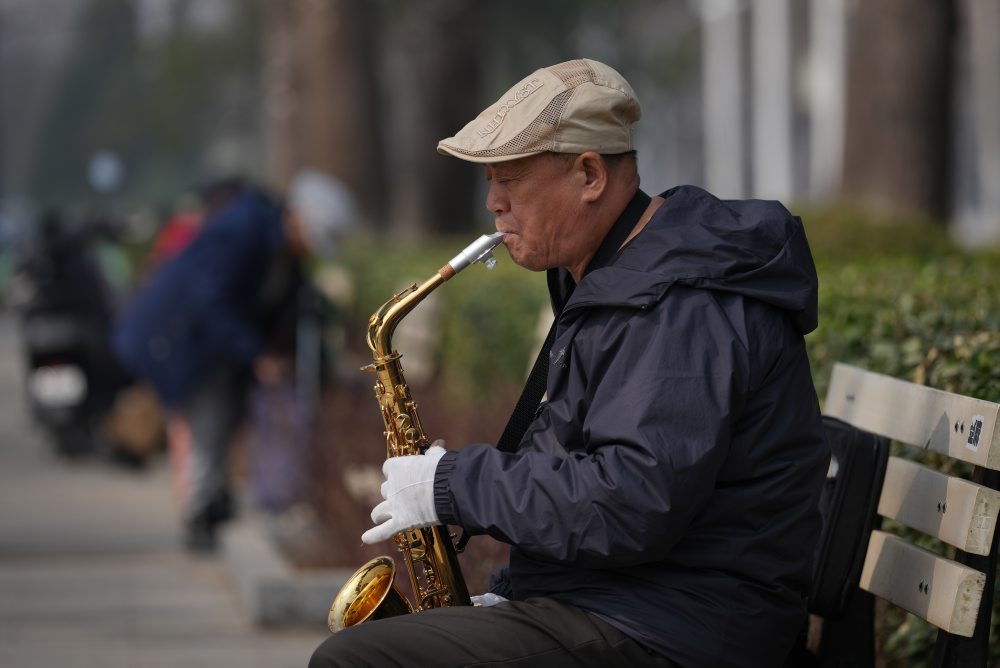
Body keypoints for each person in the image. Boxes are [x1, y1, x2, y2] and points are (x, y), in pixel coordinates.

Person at [310, 58, 828, 667]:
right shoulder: (617, 278)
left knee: (353, 660)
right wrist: (509, 589)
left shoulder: (679, 303)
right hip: (636, 602)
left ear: (589, 175)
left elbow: (631, 505)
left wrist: (453, 484)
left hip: (682, 630)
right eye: (490, 180)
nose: (493, 202)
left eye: (510, 178)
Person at [112, 170, 357, 551]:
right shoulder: (243, 230)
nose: (308, 250)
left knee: (214, 420)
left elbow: (281, 306)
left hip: (204, 344)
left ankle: (209, 503)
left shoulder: (271, 240)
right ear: (298, 218)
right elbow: (210, 300)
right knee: (205, 422)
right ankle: (200, 511)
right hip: (181, 339)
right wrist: (254, 353)